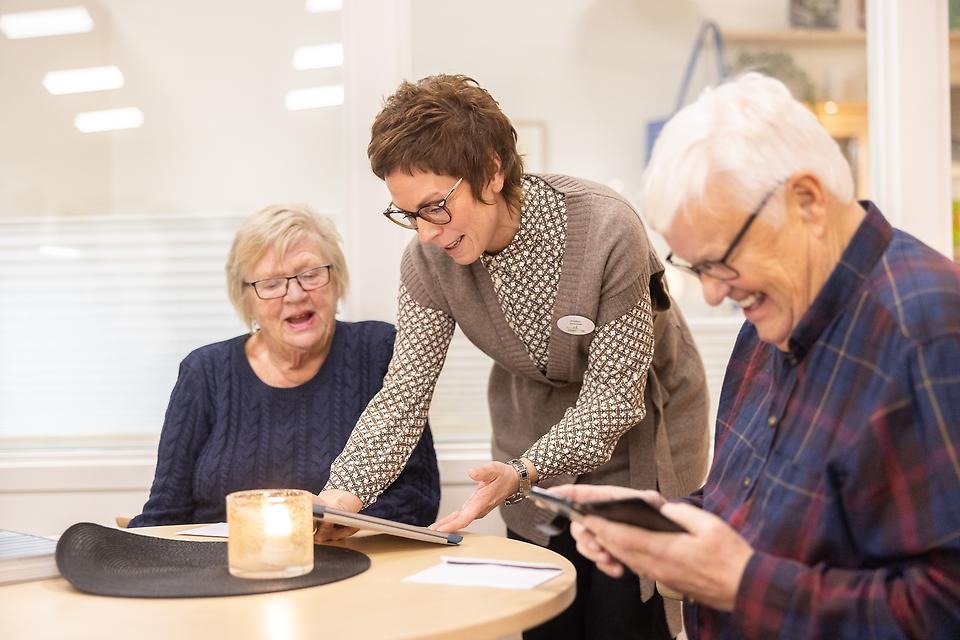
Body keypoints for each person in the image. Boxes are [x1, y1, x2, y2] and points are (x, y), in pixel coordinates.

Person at [553, 72, 960, 639]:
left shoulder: (929, 333)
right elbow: (756, 516)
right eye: (697, 268)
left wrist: (739, 583)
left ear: (808, 202)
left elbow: (945, 610)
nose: (715, 293)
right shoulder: (770, 316)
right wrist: (668, 524)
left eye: (721, 261)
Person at [316, 74, 711, 639]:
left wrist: (524, 472)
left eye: (434, 207)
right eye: (407, 214)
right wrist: (341, 498)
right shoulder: (428, 262)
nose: (425, 233)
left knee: (623, 618)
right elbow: (403, 395)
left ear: (493, 171)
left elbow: (615, 398)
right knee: (546, 615)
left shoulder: (605, 228)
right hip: (525, 441)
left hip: (642, 439)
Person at [129, 204, 440, 528]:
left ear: (337, 280)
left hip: (352, 564)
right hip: (222, 569)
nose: (295, 294)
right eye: (272, 283)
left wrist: (344, 524)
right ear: (245, 298)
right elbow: (166, 513)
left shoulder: (379, 351)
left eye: (310, 275)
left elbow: (420, 497)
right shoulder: (205, 372)